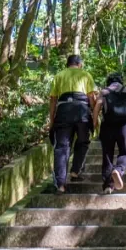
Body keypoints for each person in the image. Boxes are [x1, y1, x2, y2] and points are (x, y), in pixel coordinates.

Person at [49, 54, 98, 193]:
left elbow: (53, 100)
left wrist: (52, 120)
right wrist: (94, 115)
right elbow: (91, 97)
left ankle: (60, 184)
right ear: (80, 64)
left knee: (62, 147)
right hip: (82, 111)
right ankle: (75, 171)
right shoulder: (86, 75)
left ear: (67, 64)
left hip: (63, 111)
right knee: (83, 141)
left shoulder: (59, 75)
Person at [92, 72, 126, 194]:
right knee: (124, 152)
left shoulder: (104, 92)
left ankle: (108, 186)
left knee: (107, 155)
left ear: (109, 81)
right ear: (121, 81)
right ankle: (119, 169)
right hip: (124, 125)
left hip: (107, 126)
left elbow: (97, 108)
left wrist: (95, 122)